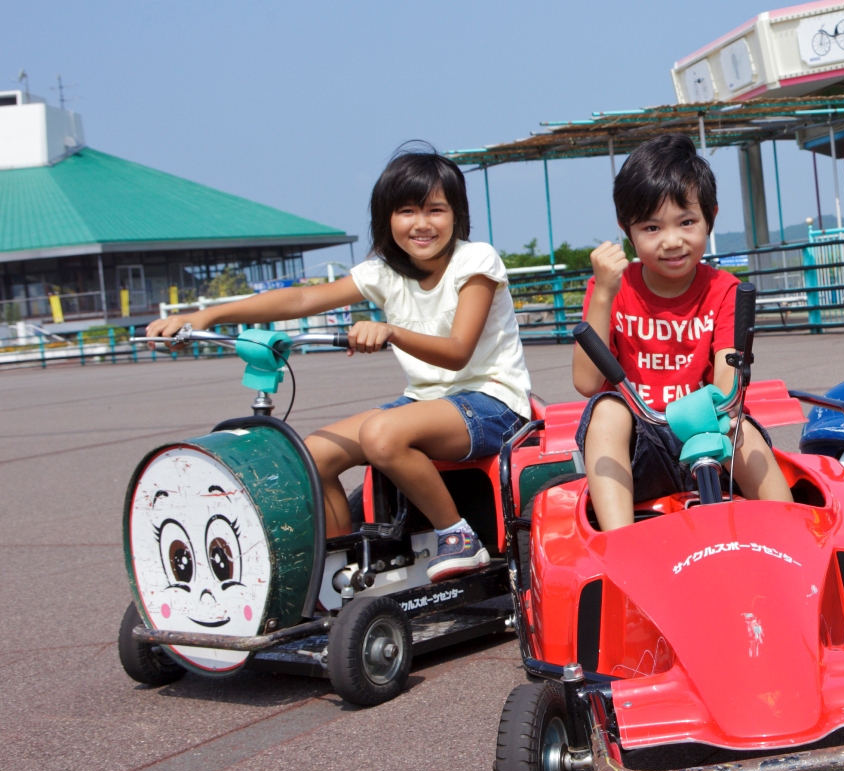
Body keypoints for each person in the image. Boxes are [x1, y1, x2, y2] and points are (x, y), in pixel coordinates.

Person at [146, 147, 532, 581]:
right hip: (426, 403)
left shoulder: (475, 260)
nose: (421, 224)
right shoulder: (384, 271)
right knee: (315, 454)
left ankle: (457, 536)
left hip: (493, 404)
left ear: (456, 215)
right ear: (386, 218)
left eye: (435, 210)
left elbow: (459, 349)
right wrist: (207, 316)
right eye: (406, 211)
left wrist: (391, 331)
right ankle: (338, 571)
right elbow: (303, 297)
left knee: (380, 433)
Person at [574, 134, 792, 531]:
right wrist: (603, 292)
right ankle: (620, 544)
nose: (672, 241)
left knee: (739, 426)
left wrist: (717, 415)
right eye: (652, 227)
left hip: (707, 430)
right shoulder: (610, 289)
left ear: (710, 216)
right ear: (628, 231)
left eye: (687, 222)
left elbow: (728, 379)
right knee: (606, 410)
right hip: (640, 440)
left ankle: (791, 533)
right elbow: (587, 382)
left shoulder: (725, 290)